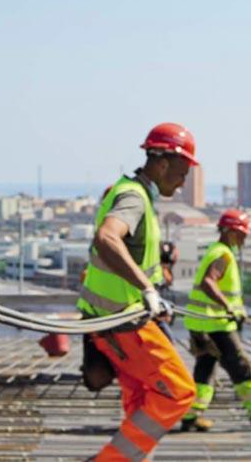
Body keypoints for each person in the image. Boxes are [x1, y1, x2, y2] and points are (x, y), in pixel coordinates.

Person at [77, 123, 199, 461]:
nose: (184, 180)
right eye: (182, 170)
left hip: (112, 319)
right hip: (125, 321)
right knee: (177, 392)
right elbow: (108, 238)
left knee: (143, 399)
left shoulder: (133, 192)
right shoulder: (133, 196)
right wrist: (147, 288)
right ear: (162, 162)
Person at [180, 209, 251, 431]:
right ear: (230, 232)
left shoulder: (215, 250)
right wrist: (228, 307)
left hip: (202, 325)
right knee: (240, 367)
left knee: (204, 372)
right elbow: (210, 282)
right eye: (242, 234)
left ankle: (191, 416)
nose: (245, 239)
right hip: (216, 325)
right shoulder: (223, 255)